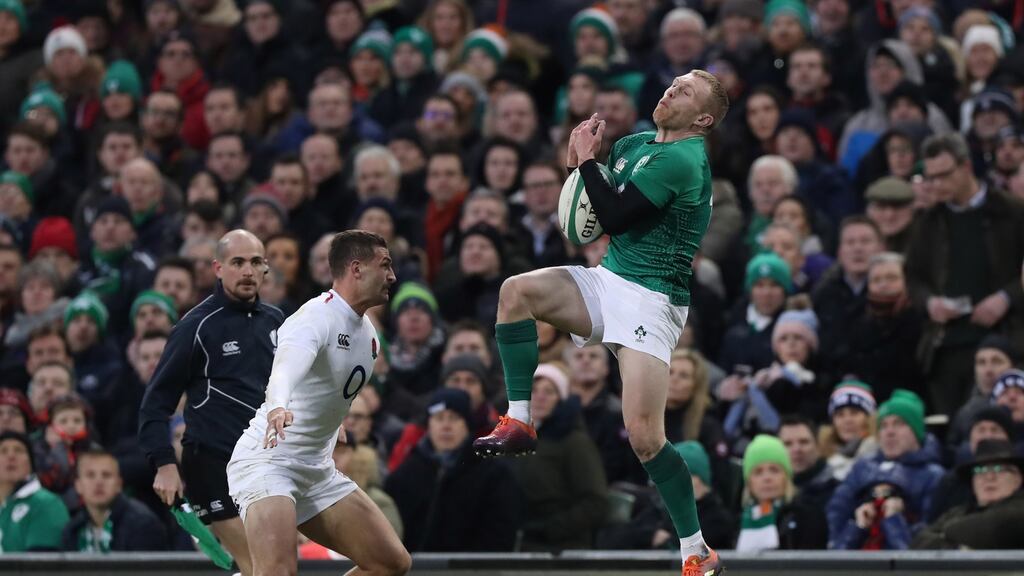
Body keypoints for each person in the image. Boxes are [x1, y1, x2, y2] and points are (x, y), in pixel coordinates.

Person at [473, 70, 728, 574]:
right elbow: (585, 214)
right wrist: (577, 166)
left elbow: (610, 214)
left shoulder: (684, 159)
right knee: (515, 292)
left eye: (686, 91)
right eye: (673, 83)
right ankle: (521, 419)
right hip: (609, 279)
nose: (671, 89)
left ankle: (696, 550)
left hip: (653, 301)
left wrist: (585, 162)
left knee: (645, 438)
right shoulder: (634, 142)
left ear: (703, 119)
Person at [226, 230, 411, 576]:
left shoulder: (369, 336)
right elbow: (284, 371)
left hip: (315, 468)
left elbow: (324, 388)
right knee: (277, 572)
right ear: (356, 268)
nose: (392, 276)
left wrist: (332, 421)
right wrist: (278, 405)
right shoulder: (314, 318)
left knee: (391, 563)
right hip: (268, 461)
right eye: (384, 265)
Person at [137, 230, 283, 576]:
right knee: (262, 567)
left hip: (266, 464)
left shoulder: (276, 321)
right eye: (238, 262)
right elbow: (155, 403)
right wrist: (164, 464)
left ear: (265, 269)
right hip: (212, 463)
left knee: (272, 569)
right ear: (218, 268)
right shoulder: (195, 327)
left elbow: (296, 388)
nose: (247, 271)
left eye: (256, 262)